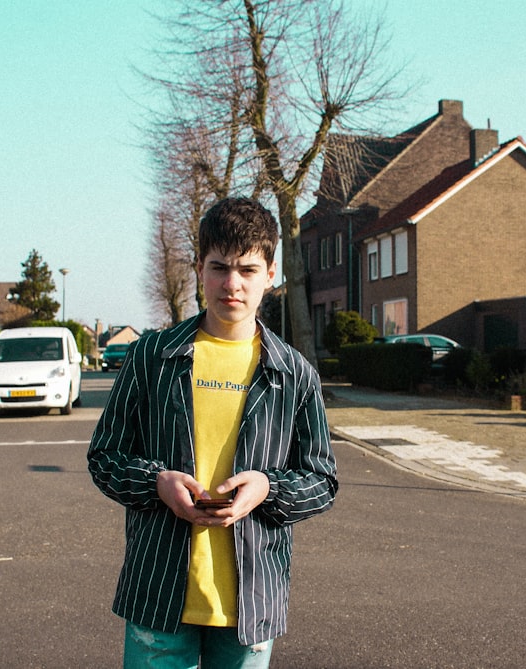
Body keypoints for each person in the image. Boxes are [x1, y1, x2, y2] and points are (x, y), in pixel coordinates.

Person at [88, 197, 338, 668]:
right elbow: (104, 457)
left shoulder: (294, 373)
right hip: (158, 593)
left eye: (247, 269)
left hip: (251, 600)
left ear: (270, 274)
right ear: (199, 267)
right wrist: (155, 483)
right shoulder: (151, 357)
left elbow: (322, 481)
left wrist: (266, 488)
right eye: (219, 267)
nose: (232, 284)